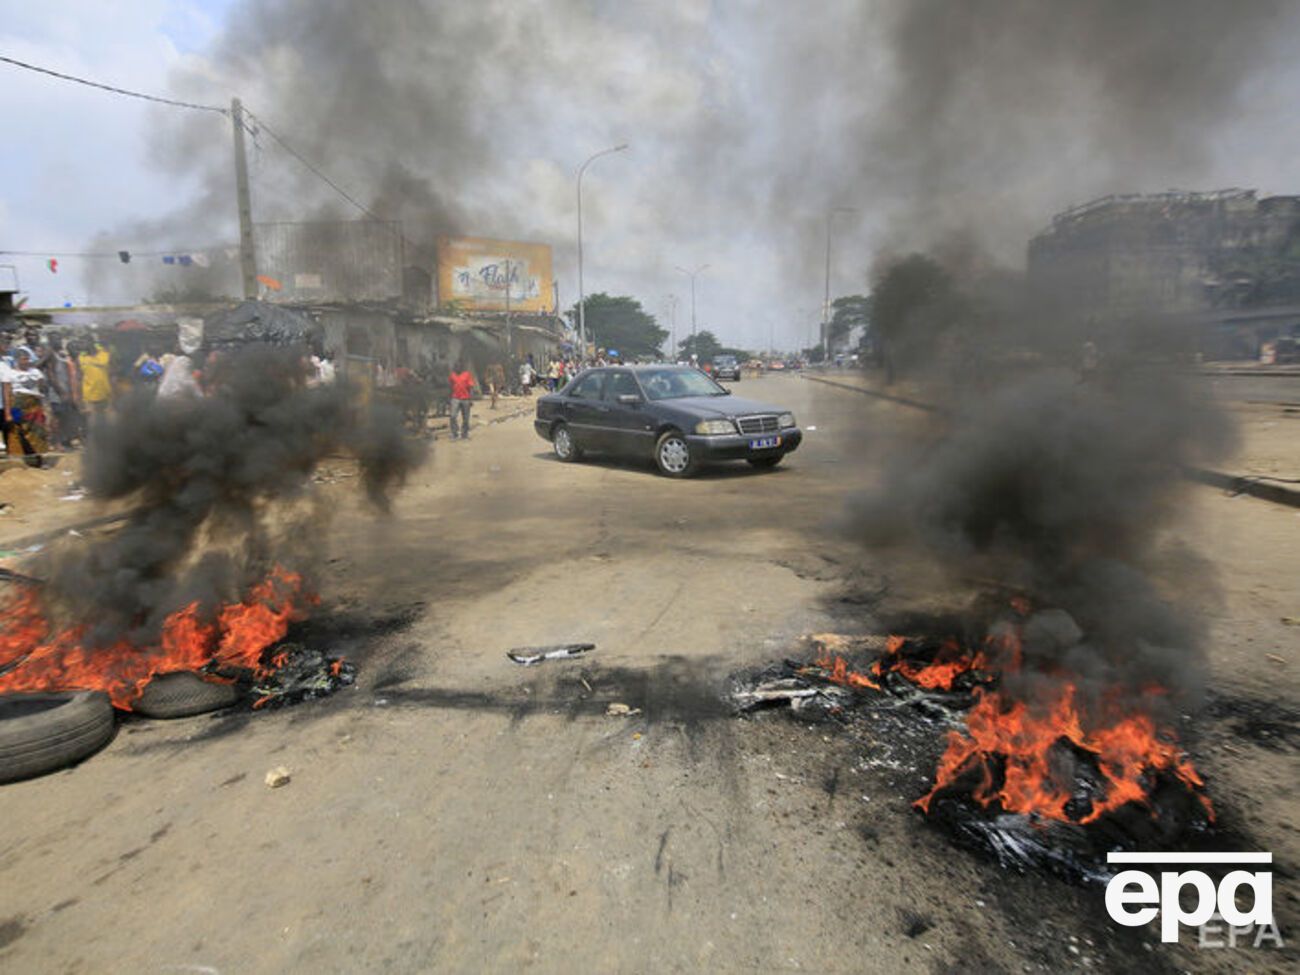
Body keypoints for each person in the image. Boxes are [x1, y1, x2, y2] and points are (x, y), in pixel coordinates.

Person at [5, 347, 50, 464]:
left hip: (35, 404)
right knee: (17, 430)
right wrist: (8, 412)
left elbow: (42, 388)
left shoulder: (35, 372)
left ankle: (38, 458)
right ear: (17, 360)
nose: (27, 362)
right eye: (24, 359)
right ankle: (20, 460)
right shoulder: (10, 373)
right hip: (19, 403)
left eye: (28, 359)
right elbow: (8, 393)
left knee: (37, 431)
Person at [78, 334, 113, 417]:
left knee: (108, 417)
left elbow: (114, 371)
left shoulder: (105, 353)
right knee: (92, 418)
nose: (80, 345)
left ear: (91, 342)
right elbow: (79, 377)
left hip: (105, 392)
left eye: (83, 343)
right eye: (80, 343)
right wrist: (79, 396)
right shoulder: (81, 357)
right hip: (89, 394)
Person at [448, 360, 475, 440]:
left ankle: (464, 433)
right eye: (456, 366)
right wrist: (449, 398)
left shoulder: (467, 375)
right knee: (452, 416)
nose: (457, 368)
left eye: (459, 366)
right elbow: (450, 386)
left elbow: (471, 387)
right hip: (455, 398)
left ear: (461, 367)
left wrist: (471, 399)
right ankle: (454, 433)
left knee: (466, 418)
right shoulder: (452, 375)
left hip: (465, 399)